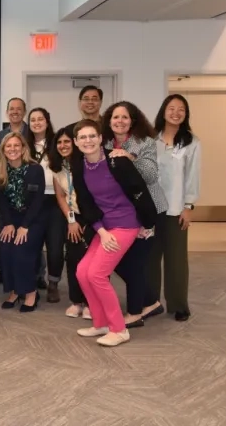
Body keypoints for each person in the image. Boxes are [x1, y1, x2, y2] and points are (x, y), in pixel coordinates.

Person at [71, 119, 156, 347]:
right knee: (82, 272)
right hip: (104, 227)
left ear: (100, 138)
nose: (88, 141)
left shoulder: (116, 160)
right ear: (76, 142)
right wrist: (100, 230)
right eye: (82, 137)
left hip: (126, 224)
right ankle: (100, 323)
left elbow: (140, 190)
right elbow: (86, 202)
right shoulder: (79, 165)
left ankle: (119, 329)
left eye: (92, 136)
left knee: (97, 274)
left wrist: (147, 223)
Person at [102, 101, 166, 328]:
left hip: (146, 209)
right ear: (109, 121)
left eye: (125, 117)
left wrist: (131, 158)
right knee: (120, 260)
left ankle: (135, 312)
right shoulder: (104, 143)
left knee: (136, 262)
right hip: (120, 212)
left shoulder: (145, 142)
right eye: (115, 117)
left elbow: (150, 175)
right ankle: (150, 302)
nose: (120, 121)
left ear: (133, 121)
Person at [151, 94, 200, 321]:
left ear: (186, 114)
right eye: (172, 108)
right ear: (163, 111)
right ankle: (150, 303)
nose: (176, 112)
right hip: (151, 209)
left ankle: (179, 305)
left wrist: (188, 206)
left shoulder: (192, 142)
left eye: (181, 109)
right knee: (150, 260)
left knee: (177, 260)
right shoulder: (150, 139)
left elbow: (192, 177)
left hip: (176, 210)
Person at [0, 132, 46, 312]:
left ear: (23, 148)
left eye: (16, 145)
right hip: (11, 219)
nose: (12, 149)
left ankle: (31, 292)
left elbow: (38, 201)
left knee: (21, 251)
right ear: (3, 150)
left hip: (33, 219)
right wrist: (8, 224)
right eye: (8, 146)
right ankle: (15, 290)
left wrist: (24, 226)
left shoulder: (35, 169)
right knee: (5, 250)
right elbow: (0, 200)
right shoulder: (0, 170)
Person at [49, 127, 92, 319]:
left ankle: (92, 303)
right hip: (73, 217)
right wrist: (71, 220)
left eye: (67, 141)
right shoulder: (57, 168)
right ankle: (77, 302)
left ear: (74, 143)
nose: (63, 145)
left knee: (93, 262)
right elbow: (60, 197)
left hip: (93, 217)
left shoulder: (86, 163)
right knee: (74, 259)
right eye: (59, 142)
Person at [26, 107, 65, 299]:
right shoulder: (24, 145)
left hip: (56, 200)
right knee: (32, 243)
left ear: (47, 121)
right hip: (33, 201)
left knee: (55, 246)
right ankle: (32, 279)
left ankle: (53, 283)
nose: (36, 123)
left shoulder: (57, 143)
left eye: (40, 119)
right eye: (32, 120)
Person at [0, 97, 28, 285]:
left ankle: (36, 275)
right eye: (11, 109)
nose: (15, 112)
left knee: (27, 233)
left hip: (26, 194)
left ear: (24, 111)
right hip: (4, 192)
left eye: (18, 109)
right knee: (5, 229)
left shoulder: (32, 133)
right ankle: (3, 271)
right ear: (7, 112)